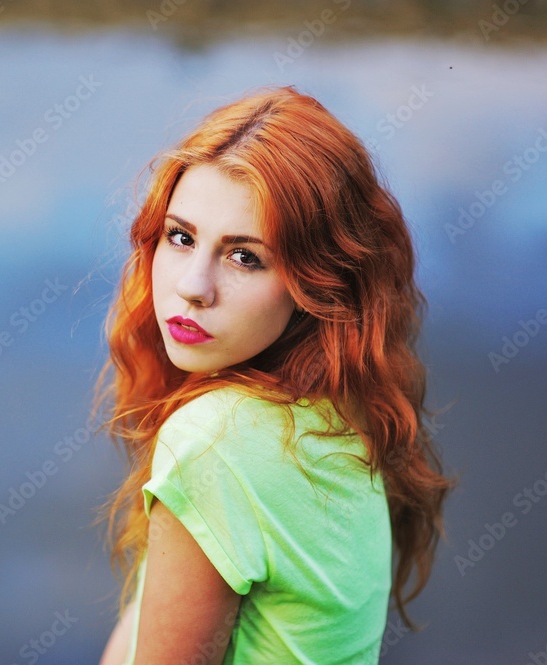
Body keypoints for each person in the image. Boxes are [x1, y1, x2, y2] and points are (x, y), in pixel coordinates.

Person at [91, 86, 455, 664]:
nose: (192, 286)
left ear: (317, 285)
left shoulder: (216, 441)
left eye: (245, 256)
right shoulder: (339, 411)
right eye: (181, 237)